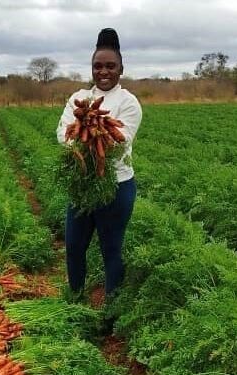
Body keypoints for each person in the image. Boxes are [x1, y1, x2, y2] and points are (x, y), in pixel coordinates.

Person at [57, 27, 142, 303]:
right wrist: (82, 130)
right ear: (91, 68)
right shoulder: (78, 99)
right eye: (98, 66)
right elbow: (63, 134)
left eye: (110, 66)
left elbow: (119, 141)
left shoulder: (129, 103)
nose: (103, 71)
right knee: (74, 247)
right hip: (81, 185)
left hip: (115, 187)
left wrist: (95, 128)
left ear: (120, 69)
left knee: (111, 249)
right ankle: (75, 298)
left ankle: (111, 308)